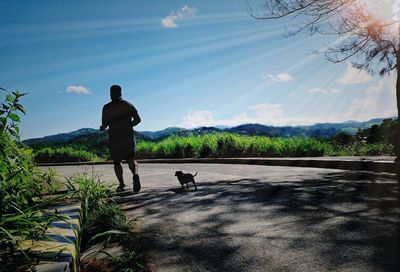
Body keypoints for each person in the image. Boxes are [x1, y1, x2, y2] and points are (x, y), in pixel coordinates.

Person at [100, 85, 141, 192]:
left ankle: (122, 185)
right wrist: (128, 126)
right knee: (131, 159)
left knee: (117, 162)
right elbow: (138, 120)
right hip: (127, 137)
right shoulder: (128, 104)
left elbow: (105, 124)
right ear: (121, 93)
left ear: (111, 94)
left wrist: (103, 128)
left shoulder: (107, 107)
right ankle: (135, 175)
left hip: (115, 139)